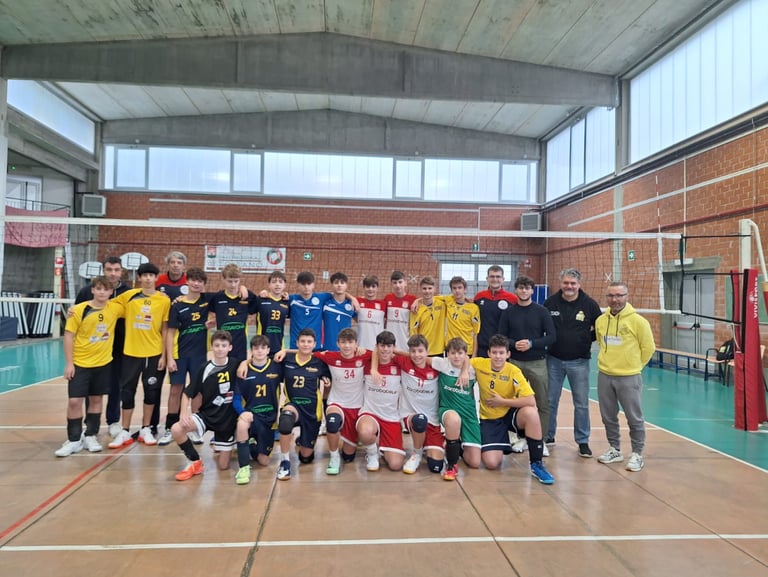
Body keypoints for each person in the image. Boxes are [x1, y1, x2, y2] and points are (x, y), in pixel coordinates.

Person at [56, 276, 125, 457]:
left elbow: (137, 300)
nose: (102, 292)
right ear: (92, 290)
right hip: (80, 363)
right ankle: (73, 439)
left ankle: (90, 435)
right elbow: (69, 336)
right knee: (74, 401)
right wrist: (69, 363)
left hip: (103, 363)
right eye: (98, 288)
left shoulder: (115, 308)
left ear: (111, 292)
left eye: (106, 289)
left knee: (96, 400)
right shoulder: (79, 310)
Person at [471, 334, 554, 484]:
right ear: (489, 353)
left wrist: (502, 401)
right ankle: (498, 443)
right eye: (494, 352)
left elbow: (530, 400)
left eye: (501, 353)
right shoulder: (479, 364)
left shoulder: (513, 371)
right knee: (491, 463)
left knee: (531, 413)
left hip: (509, 414)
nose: (498, 356)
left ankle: (537, 464)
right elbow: (464, 361)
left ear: (508, 354)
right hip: (490, 419)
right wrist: (465, 371)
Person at [108, 262, 170, 449]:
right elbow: (105, 306)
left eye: (151, 275)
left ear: (156, 278)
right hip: (131, 353)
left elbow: (165, 329)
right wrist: (77, 308)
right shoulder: (128, 296)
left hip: (154, 353)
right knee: (127, 392)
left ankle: (146, 428)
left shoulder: (164, 300)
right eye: (145, 275)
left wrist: (164, 356)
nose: (148, 278)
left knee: (151, 392)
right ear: (139, 278)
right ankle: (125, 430)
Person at [595, 281, 655, 472]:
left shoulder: (638, 321)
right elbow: (601, 342)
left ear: (627, 297)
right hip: (605, 374)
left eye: (619, 295)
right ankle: (615, 449)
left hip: (629, 377)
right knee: (608, 416)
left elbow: (648, 348)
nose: (615, 299)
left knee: (634, 417)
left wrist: (634, 366)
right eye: (611, 295)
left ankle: (637, 454)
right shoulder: (601, 320)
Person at [544, 268, 603, 457]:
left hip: (579, 361)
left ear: (579, 284)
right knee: (550, 401)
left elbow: (600, 328)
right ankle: (548, 436)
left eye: (573, 283)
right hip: (553, 359)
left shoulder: (590, 304)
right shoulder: (550, 303)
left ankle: (583, 441)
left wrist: (585, 339)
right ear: (560, 283)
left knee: (581, 403)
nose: (569, 286)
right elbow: (542, 327)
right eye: (566, 283)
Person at [498, 275, 556, 455]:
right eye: (521, 287)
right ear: (516, 290)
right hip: (514, 363)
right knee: (514, 402)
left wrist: (532, 343)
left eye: (527, 288)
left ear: (532, 290)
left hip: (537, 362)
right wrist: (513, 344)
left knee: (542, 402)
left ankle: (541, 440)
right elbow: (501, 336)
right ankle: (519, 437)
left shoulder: (542, 311)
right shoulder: (509, 312)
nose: (524, 291)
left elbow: (551, 336)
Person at [172, 330, 240, 481]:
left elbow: (253, 361)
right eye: (217, 345)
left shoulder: (236, 364)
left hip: (227, 421)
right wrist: (183, 413)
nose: (220, 349)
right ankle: (195, 461)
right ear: (211, 347)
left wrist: (246, 364)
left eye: (224, 345)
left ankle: (232, 444)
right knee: (176, 429)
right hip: (207, 415)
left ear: (230, 347)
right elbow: (187, 393)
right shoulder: (204, 369)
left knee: (223, 466)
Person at [75, 256, 130, 438]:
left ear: (121, 271)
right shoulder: (86, 292)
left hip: (119, 347)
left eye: (116, 270)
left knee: (116, 386)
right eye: (109, 269)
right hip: (92, 350)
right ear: (103, 270)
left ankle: (113, 420)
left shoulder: (128, 292)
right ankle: (90, 425)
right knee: (91, 390)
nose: (113, 273)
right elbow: (77, 316)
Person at [160, 266, 210, 445]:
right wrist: (170, 358)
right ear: (187, 281)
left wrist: (211, 323)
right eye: (193, 280)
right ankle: (170, 428)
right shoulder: (178, 305)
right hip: (180, 355)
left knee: (197, 392)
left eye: (200, 281)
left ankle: (195, 428)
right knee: (176, 390)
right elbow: (170, 333)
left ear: (204, 284)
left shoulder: (206, 300)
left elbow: (228, 299)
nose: (196, 284)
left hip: (199, 356)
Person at [313, 328, 371, 475]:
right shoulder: (331, 356)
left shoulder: (364, 356)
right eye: (343, 342)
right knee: (332, 422)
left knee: (349, 457)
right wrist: (284, 351)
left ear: (356, 344)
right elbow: (305, 352)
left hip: (356, 407)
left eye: (350, 342)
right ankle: (334, 457)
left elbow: (383, 353)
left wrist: (365, 350)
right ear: (337, 343)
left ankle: (358, 444)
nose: (347, 346)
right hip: (336, 403)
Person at [275, 328, 331, 480]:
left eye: (309, 342)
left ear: (314, 344)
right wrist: (245, 362)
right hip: (293, 405)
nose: (306, 344)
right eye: (303, 341)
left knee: (305, 458)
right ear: (297, 343)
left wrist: (326, 380)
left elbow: (329, 377)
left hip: (312, 412)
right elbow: (263, 361)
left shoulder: (319, 362)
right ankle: (285, 461)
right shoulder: (287, 359)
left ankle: (303, 440)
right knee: (285, 420)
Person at [386, 334, 443, 475]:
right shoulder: (404, 362)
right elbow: (385, 351)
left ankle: (433, 445)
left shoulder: (436, 366)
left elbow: (459, 362)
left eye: (420, 351)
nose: (417, 355)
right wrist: (399, 351)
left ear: (427, 351)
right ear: (409, 352)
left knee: (435, 467)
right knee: (419, 420)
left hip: (432, 420)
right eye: (413, 351)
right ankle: (416, 453)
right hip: (411, 416)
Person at [232, 335, 282, 484]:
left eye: (263, 348)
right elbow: (236, 399)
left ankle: (249, 444)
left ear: (268, 350)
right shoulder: (243, 371)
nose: (259, 351)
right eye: (256, 348)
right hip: (251, 415)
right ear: (251, 351)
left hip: (269, 419)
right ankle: (243, 467)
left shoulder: (276, 367)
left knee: (264, 461)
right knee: (242, 424)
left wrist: (285, 351)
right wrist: (242, 412)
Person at [431, 337, 481, 480]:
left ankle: (453, 444)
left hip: (468, 414)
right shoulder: (442, 364)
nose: (456, 356)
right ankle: (452, 464)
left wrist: (464, 371)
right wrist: (394, 351)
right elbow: (419, 357)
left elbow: (469, 360)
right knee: (453, 420)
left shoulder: (473, 370)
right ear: (447, 354)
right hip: (448, 410)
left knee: (475, 462)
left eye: (460, 353)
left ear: (465, 354)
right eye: (453, 353)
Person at [356, 330, 405, 471]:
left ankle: (384, 448)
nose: (385, 349)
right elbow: (348, 349)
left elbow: (418, 357)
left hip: (391, 417)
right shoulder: (367, 359)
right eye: (382, 346)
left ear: (394, 347)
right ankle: (372, 453)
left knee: (395, 465)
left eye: (389, 346)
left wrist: (397, 352)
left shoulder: (399, 363)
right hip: (370, 413)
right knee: (365, 431)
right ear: (376, 346)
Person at [208, 263, 259, 362]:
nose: (233, 285)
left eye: (236, 281)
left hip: (240, 346)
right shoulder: (217, 298)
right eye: (230, 281)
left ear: (240, 280)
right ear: (223, 279)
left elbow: (261, 304)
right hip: (222, 347)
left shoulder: (247, 296)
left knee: (240, 370)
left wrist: (264, 293)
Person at [473, 265, 517, 358]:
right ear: (487, 279)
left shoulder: (512, 299)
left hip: (502, 348)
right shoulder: (479, 297)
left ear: (503, 279)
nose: (495, 279)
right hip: (483, 347)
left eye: (498, 276)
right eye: (492, 276)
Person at [287, 271, 331, 350]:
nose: (306, 287)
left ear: (313, 285)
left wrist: (352, 298)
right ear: (298, 285)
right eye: (303, 284)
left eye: (309, 284)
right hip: (296, 346)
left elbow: (339, 294)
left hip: (315, 347)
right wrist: (265, 293)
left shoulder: (321, 298)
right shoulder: (292, 299)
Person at [442, 276, 481, 357]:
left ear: (465, 289)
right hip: (451, 349)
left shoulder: (473, 308)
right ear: (451, 290)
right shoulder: (448, 301)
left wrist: (474, 355)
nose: (457, 290)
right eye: (454, 288)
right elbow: (430, 298)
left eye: (460, 288)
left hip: (466, 349)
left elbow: (475, 334)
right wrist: (417, 301)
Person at [321, 271, 358, 351]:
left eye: (342, 282)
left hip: (346, 349)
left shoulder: (352, 304)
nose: (339, 285)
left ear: (346, 285)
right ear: (332, 285)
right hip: (328, 348)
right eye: (336, 282)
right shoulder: (325, 303)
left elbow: (360, 322)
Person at [410, 276, 446, 356]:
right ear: (420, 289)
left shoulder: (442, 304)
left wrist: (417, 299)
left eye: (430, 288)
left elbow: (454, 297)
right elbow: (413, 332)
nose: (427, 291)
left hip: (438, 350)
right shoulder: (416, 309)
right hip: (422, 350)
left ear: (434, 289)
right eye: (424, 288)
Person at [255, 270, 290, 354]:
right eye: (274, 282)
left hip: (279, 346)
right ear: (269, 285)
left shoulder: (286, 302)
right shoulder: (261, 299)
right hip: (261, 346)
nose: (277, 284)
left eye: (280, 282)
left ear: (284, 285)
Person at [383, 270, 417, 350]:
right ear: (391, 284)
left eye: (400, 282)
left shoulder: (412, 299)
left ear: (405, 283)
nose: (398, 285)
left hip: (405, 343)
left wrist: (418, 300)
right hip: (389, 343)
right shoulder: (387, 298)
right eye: (395, 283)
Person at [356, 275, 385, 351]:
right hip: (360, 348)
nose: (370, 289)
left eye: (373, 286)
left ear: (377, 288)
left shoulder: (383, 304)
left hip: (377, 348)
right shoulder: (357, 301)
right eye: (368, 286)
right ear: (363, 287)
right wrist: (351, 298)